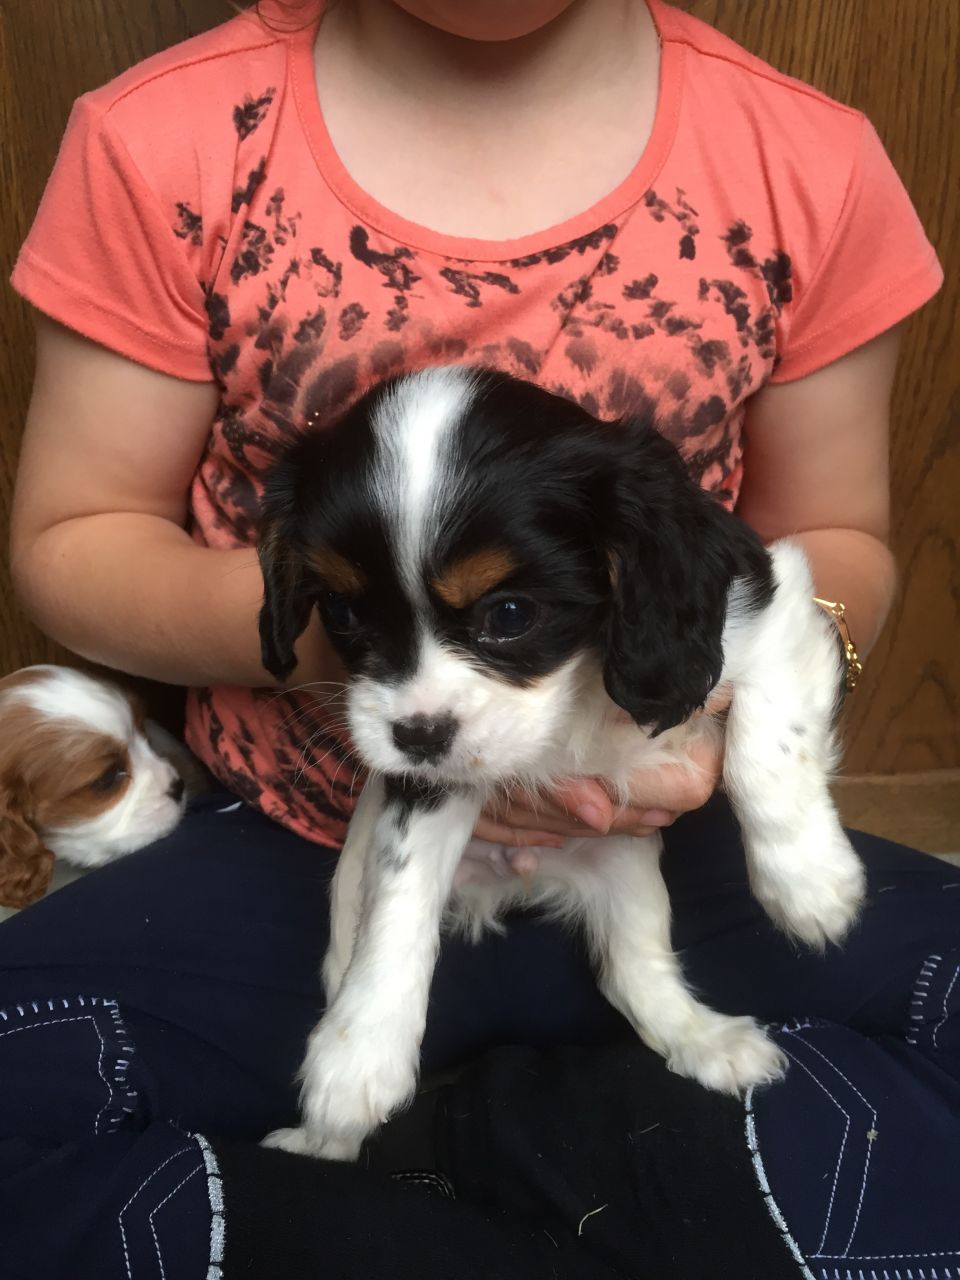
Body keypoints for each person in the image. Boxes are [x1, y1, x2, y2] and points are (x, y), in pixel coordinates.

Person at [2, 0, 956, 1276]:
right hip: (286, 843)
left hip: (666, 823)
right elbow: (73, 534)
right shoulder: (161, 137)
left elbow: (822, 548)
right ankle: (612, 1189)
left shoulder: (811, 156)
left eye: (504, 610)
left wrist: (739, 733)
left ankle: (438, 1164)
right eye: (351, 604)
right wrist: (369, 641)